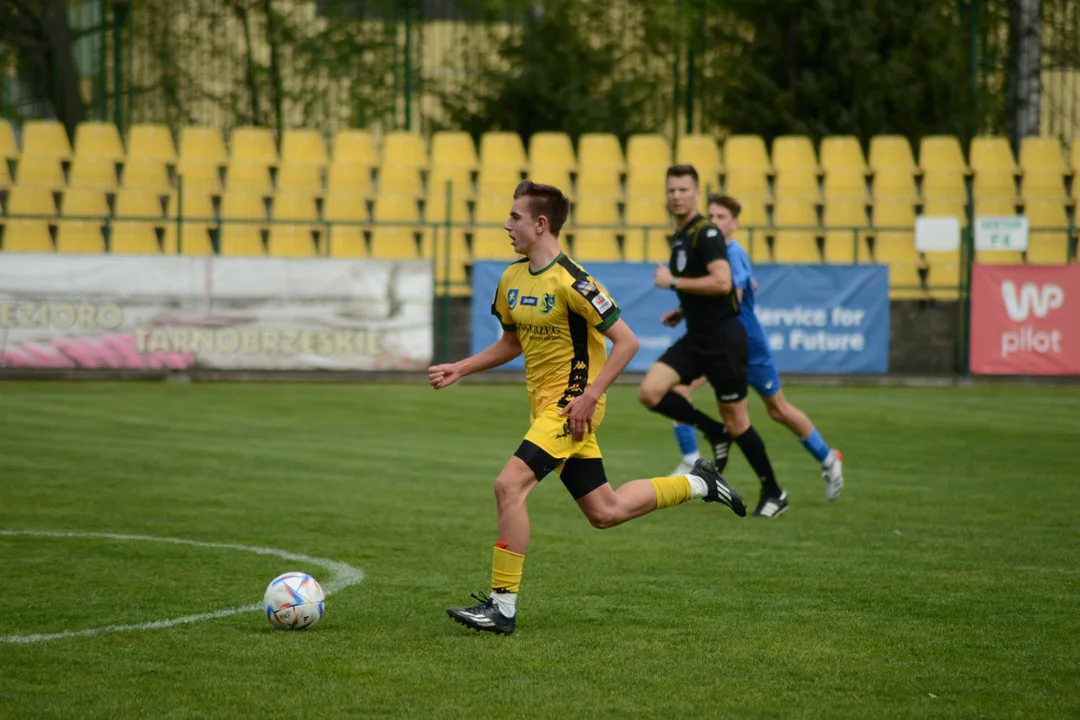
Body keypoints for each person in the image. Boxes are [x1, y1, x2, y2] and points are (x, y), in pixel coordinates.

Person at [428, 180, 746, 636]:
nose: (506, 224)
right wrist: (462, 367)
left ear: (541, 224)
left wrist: (591, 395)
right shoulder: (511, 279)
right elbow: (511, 342)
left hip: (571, 407)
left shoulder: (575, 281)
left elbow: (627, 341)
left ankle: (502, 607)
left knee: (508, 486)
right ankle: (698, 483)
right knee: (606, 511)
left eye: (514, 217)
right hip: (547, 412)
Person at [668, 194, 844, 502]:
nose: (715, 221)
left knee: (779, 410)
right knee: (680, 391)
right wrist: (683, 312)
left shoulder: (732, 252)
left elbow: (730, 294)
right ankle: (691, 458)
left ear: (734, 224)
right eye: (711, 215)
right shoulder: (714, 253)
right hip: (721, 345)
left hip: (747, 345)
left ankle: (828, 459)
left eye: (722, 217)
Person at [637, 165, 788, 518]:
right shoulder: (680, 237)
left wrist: (673, 282)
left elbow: (722, 283)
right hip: (697, 338)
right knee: (650, 391)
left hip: (725, 340)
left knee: (739, 422)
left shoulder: (706, 234)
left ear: (696, 193)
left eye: (683, 190)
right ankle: (714, 432)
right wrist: (682, 310)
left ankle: (773, 490)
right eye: (671, 190)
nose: (676, 196)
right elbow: (704, 289)